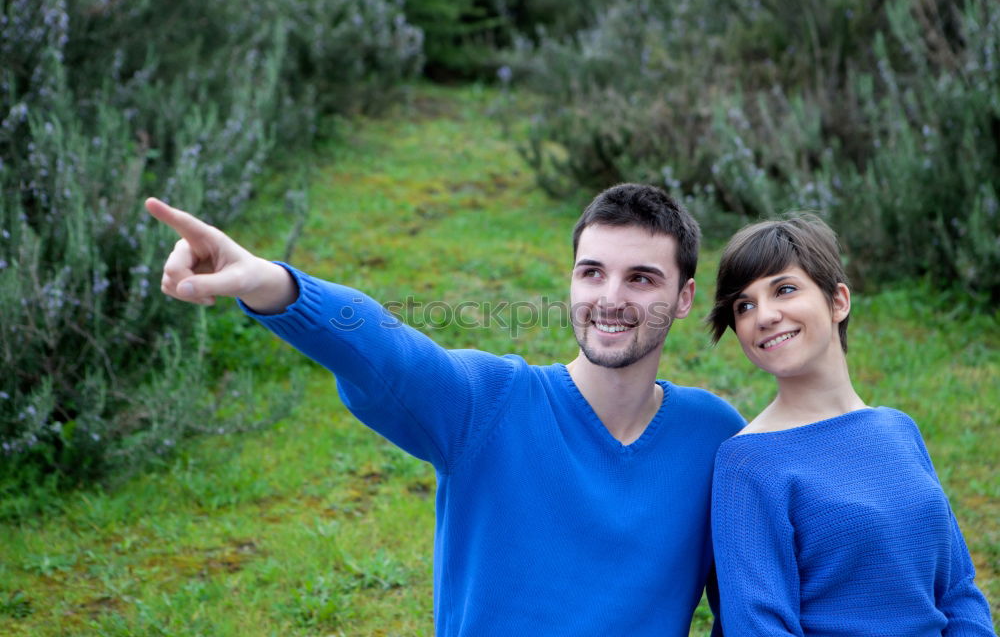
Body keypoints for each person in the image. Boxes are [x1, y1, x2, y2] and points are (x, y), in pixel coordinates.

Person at [146, 183, 745, 637]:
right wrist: (271, 283)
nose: (610, 299)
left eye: (641, 279)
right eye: (593, 273)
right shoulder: (488, 403)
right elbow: (392, 354)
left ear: (684, 297)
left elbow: (751, 604)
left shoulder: (714, 436)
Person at [707, 215, 996, 636]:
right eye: (744, 306)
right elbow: (757, 626)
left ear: (838, 301)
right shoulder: (747, 463)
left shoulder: (899, 429)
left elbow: (958, 591)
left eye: (784, 289)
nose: (764, 316)